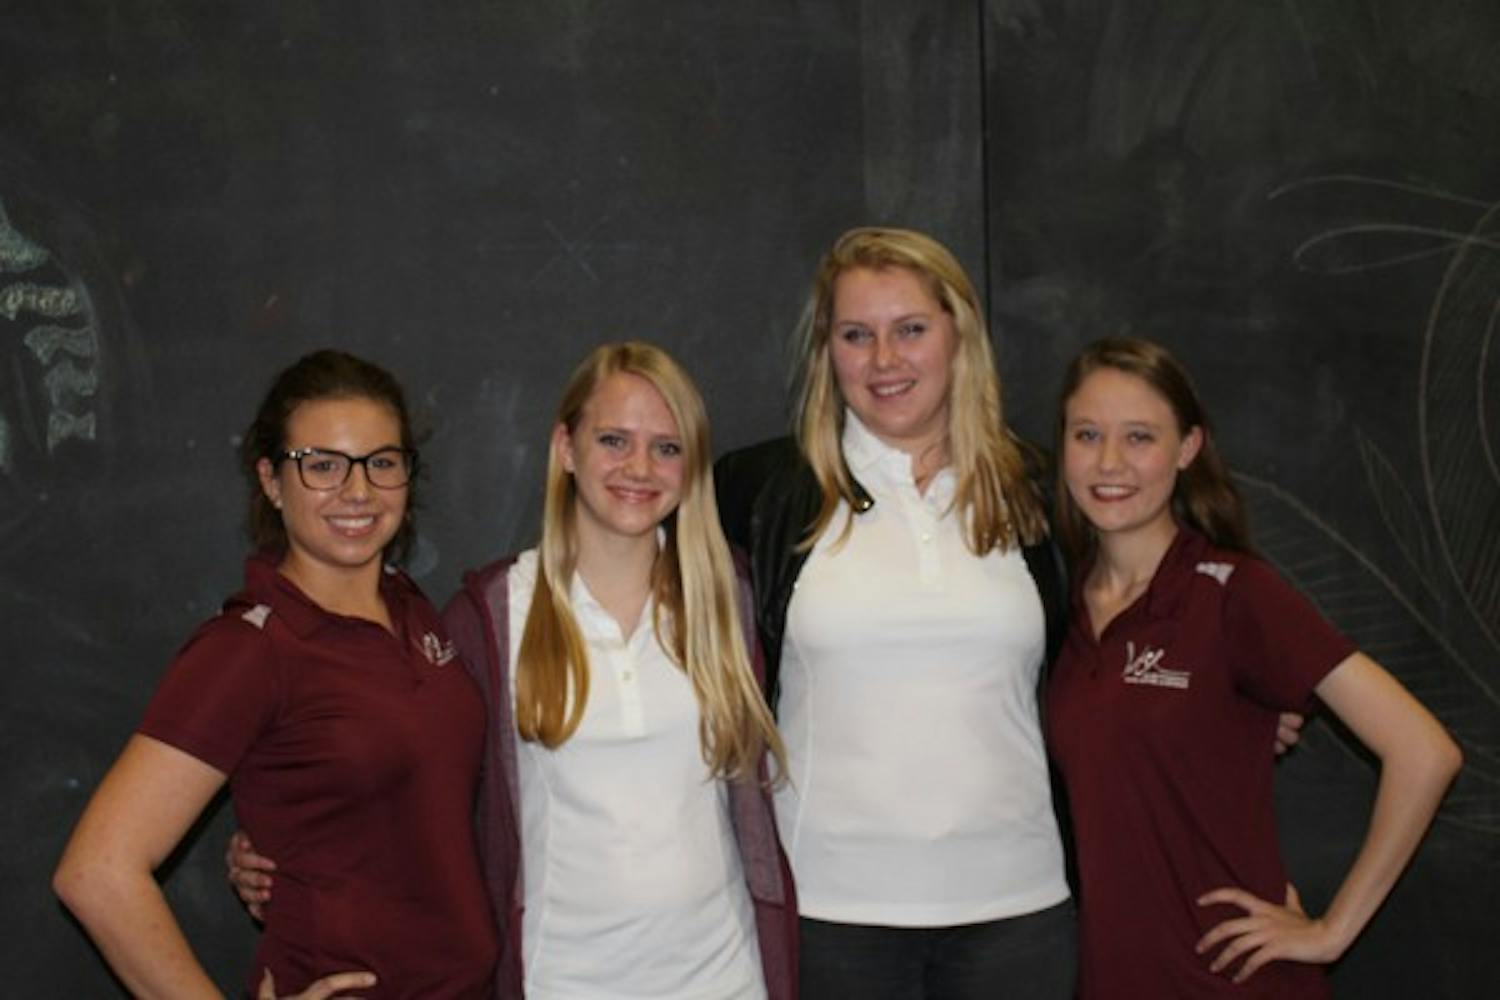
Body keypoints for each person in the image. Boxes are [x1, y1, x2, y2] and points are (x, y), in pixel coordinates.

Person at [233, 342, 798, 999]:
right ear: (565, 447)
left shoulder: (727, 592)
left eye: (667, 447)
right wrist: (278, 844)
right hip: (561, 981)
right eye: (613, 439)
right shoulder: (493, 617)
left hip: (726, 981)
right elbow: (409, 776)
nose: (639, 467)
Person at [53, 350, 499, 998]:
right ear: (270, 480)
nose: (358, 491)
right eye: (321, 465)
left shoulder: (410, 606)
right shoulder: (248, 650)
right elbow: (96, 871)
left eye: (382, 462)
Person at [714, 227, 1076, 999]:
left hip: (1019, 911)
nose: (885, 360)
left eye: (910, 329)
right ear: (826, 350)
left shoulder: (1038, 487)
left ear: (959, 336)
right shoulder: (756, 491)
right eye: (856, 334)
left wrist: (1236, 697)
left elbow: (1128, 620)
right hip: (832, 916)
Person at [1047, 336, 1462, 998]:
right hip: (1115, 977)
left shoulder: (1233, 593)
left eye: (1140, 437)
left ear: (1186, 449)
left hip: (1231, 982)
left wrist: (1332, 930)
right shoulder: (1063, 608)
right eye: (1087, 434)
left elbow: (1424, 750)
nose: (1109, 462)